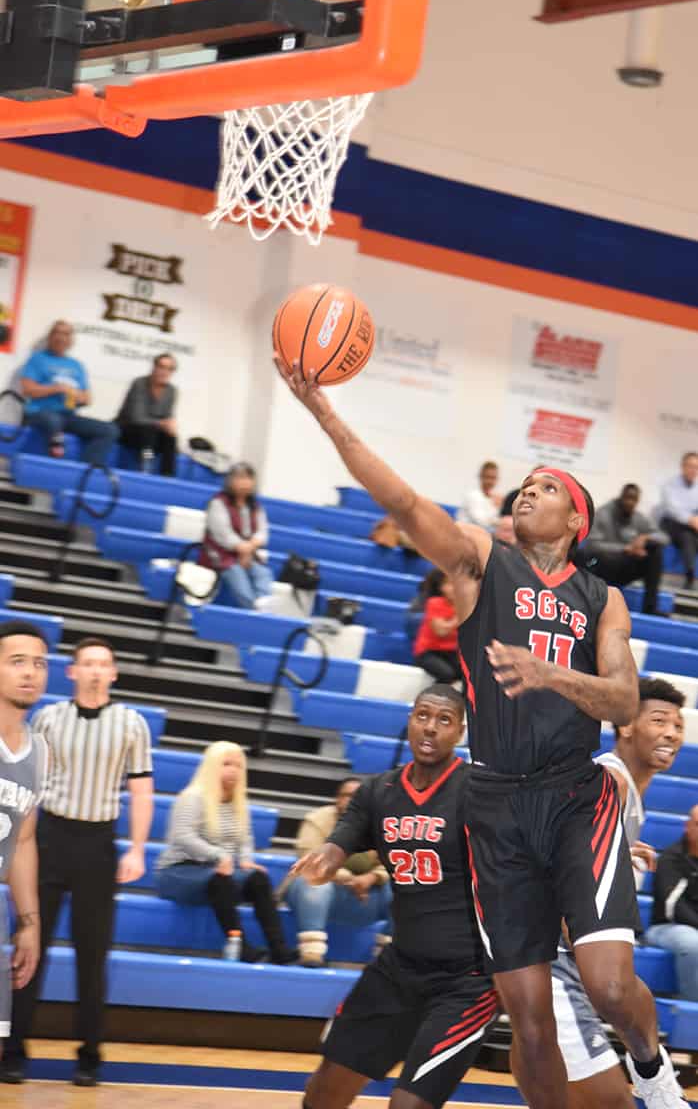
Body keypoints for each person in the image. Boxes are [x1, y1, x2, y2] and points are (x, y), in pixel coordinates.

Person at [274, 352, 688, 1109]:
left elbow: (625, 702)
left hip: (574, 796)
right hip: (497, 807)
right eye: (524, 485)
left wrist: (552, 674)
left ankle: (652, 1065)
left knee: (606, 983)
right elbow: (401, 502)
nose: (530, 492)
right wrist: (323, 411)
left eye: (547, 488)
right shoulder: (478, 565)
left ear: (574, 521)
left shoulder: (602, 601)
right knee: (528, 1021)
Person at [293, 684, 498, 1109]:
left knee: (408, 1104)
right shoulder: (377, 792)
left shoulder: (480, 791)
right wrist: (324, 861)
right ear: (409, 720)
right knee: (323, 1092)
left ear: (460, 732)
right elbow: (340, 841)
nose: (430, 728)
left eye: (444, 721)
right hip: (399, 967)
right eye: (423, 715)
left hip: (469, 979)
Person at [2, 637, 154, 1088]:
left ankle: (89, 1056)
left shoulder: (132, 723)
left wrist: (138, 848)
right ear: (71, 672)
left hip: (98, 843)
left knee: (93, 955)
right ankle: (13, 1052)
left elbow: (141, 791)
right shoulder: (48, 717)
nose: (93, 670)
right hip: (50, 836)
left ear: (114, 673)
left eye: (102, 664)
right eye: (85, 663)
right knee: (30, 947)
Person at [551, 676, 685, 1109]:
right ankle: (656, 1080)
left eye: (678, 725)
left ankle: (654, 1074)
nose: (671, 732)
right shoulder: (612, 780)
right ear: (626, 725)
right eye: (660, 720)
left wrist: (619, 847)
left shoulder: (626, 793)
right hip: (551, 954)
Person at [156, 741, 296, 965]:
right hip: (178, 871)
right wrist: (219, 855)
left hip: (216, 872)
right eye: (226, 764)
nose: (233, 770)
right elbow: (182, 835)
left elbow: (245, 837)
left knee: (258, 879)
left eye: (239, 766)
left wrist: (247, 860)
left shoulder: (239, 802)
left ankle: (279, 949)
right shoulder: (193, 796)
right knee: (220, 880)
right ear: (212, 766)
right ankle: (240, 948)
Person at [0, 623, 49, 1063]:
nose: (30, 672)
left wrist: (29, 921)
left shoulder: (39, 753)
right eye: (17, 661)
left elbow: (24, 839)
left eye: (39, 663)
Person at [283, 776, 392, 967]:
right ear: (337, 799)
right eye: (347, 795)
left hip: (363, 899)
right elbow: (310, 859)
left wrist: (372, 877)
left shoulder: (385, 824)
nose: (352, 800)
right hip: (315, 895)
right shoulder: (317, 819)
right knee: (313, 881)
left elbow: (397, 862)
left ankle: (388, 954)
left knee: (405, 887)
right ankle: (311, 953)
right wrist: (348, 878)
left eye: (359, 795)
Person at [19, 320, 118, 464]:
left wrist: (76, 395)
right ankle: (54, 459)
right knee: (53, 420)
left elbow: (87, 399)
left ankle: (87, 470)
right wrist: (56, 388)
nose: (60, 337)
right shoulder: (37, 359)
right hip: (39, 413)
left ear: (71, 340)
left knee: (110, 430)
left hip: (68, 415)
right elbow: (27, 389)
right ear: (50, 336)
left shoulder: (76, 365)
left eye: (65, 334)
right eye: (57, 333)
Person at [583, 484, 668, 615]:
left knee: (655, 552)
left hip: (624, 565)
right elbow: (592, 545)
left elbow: (664, 538)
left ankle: (650, 608)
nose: (630, 502)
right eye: (628, 498)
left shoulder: (638, 517)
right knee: (589, 555)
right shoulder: (604, 513)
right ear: (621, 497)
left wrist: (646, 537)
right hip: (602, 564)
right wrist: (626, 548)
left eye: (634, 499)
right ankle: (591, 603)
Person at [199, 463, 273, 610]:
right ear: (230, 481)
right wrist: (243, 549)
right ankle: (254, 612)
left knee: (263, 573)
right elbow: (222, 534)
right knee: (236, 574)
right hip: (221, 555)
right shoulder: (218, 503)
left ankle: (264, 609)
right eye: (240, 478)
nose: (245, 483)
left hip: (249, 555)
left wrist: (250, 547)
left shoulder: (255, 506)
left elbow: (262, 532)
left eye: (248, 478)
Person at [645, 803, 698, 1003]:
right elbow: (672, 906)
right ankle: (693, 1009)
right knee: (693, 944)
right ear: (688, 826)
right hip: (667, 927)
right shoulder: (671, 859)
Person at [116, 353, 179, 476]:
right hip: (128, 429)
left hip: (152, 434)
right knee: (148, 431)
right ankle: (146, 466)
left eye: (169, 369)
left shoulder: (171, 391)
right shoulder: (139, 383)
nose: (164, 372)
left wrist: (170, 426)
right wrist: (161, 423)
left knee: (170, 438)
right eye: (161, 367)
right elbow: (136, 417)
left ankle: (168, 476)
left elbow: (167, 416)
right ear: (154, 367)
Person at [657, 452, 698, 590]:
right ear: (683, 467)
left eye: (696, 467)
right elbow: (673, 510)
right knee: (687, 536)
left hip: (692, 526)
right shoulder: (670, 485)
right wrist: (691, 520)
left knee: (690, 534)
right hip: (671, 523)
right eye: (690, 466)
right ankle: (690, 574)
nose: (693, 470)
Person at [412, 572, 460, 684]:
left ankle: (464, 701)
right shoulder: (434, 603)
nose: (454, 588)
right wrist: (460, 617)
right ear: (441, 587)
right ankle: (433, 698)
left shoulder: (464, 605)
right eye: (450, 584)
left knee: (470, 674)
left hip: (451, 652)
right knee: (447, 674)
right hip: (428, 652)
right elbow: (441, 631)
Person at [457, 461, 502, 531]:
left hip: (480, 534)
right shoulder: (472, 496)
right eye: (487, 477)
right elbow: (481, 522)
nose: (490, 481)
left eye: (493, 478)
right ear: (480, 476)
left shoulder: (493, 498)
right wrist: (501, 522)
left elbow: (494, 521)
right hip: (464, 533)